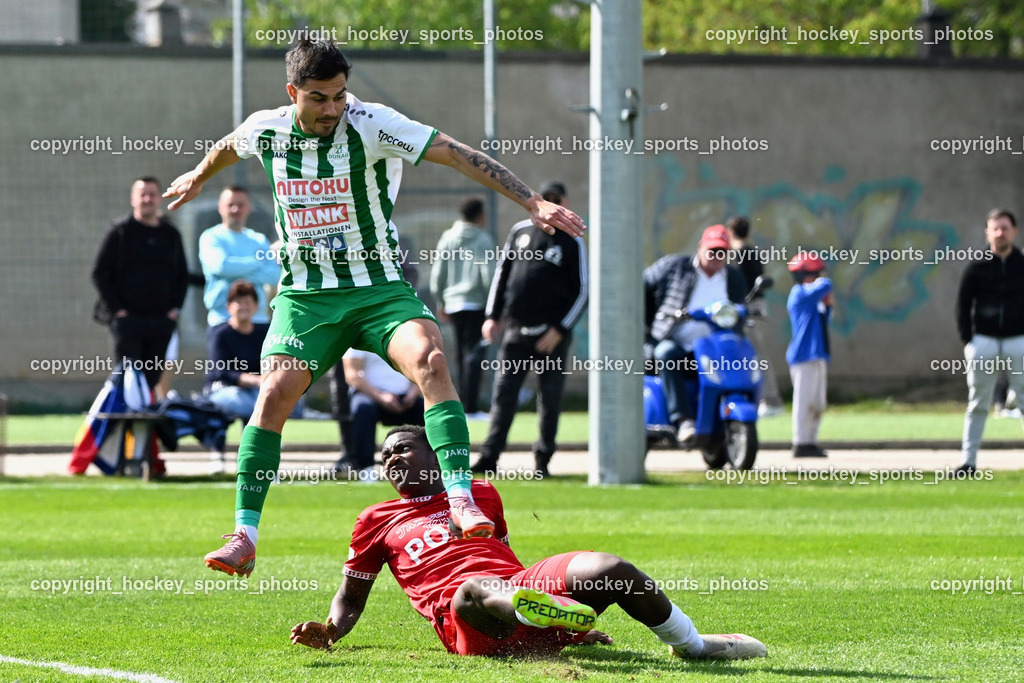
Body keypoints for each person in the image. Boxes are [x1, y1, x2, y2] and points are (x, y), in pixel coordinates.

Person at [162, 39, 586, 577]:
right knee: (272, 393)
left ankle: (460, 499)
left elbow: (454, 152)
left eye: (340, 95)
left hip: (379, 289)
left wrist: (531, 201)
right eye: (319, 98)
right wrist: (200, 175)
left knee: (432, 362)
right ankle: (244, 535)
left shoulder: (372, 123)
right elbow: (230, 144)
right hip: (307, 298)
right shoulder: (267, 128)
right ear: (293, 92)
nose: (333, 109)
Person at [290, 425, 767, 660]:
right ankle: (539, 612)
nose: (391, 458)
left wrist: (573, 630)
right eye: (385, 454)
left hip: (515, 584)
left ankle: (693, 645)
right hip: (468, 621)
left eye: (403, 448)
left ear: (437, 453)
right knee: (474, 587)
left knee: (610, 568)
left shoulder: (479, 492)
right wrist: (331, 630)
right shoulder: (376, 519)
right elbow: (351, 595)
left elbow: (507, 555)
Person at [471, 181, 588, 477]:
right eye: (544, 199)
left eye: (555, 200)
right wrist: (491, 315)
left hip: (551, 336)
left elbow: (582, 291)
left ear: (564, 202)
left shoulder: (571, 239)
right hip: (516, 330)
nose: (550, 206)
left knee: (548, 400)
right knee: (503, 396)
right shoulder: (520, 231)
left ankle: (542, 461)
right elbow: (503, 274)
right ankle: (489, 457)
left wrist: (560, 330)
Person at [643, 225, 748, 446]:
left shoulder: (732, 277)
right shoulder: (674, 266)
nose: (716, 256)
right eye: (712, 250)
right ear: (700, 247)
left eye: (722, 251)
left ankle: (725, 417)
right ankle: (683, 420)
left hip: (715, 346)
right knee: (666, 353)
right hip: (677, 341)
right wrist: (647, 325)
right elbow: (640, 286)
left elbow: (739, 310)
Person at [92, 176, 188, 390]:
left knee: (151, 380)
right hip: (128, 321)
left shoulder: (170, 234)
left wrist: (174, 309)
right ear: (133, 199)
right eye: (142, 194)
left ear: (159, 199)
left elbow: (182, 274)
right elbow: (100, 273)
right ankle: (124, 422)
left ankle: (146, 421)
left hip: (161, 321)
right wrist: (117, 310)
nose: (147, 199)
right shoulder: (120, 231)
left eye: (152, 194)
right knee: (127, 378)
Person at [955, 208, 1024, 474]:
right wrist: (969, 341)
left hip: (1018, 340)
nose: (1000, 233)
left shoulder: (1021, 264)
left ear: (1014, 231)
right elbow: (963, 305)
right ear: (987, 232)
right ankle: (969, 462)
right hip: (984, 341)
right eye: (995, 228)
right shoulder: (977, 266)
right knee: (978, 402)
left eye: (1005, 228)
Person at [429, 196, 495, 419]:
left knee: (459, 357)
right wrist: (492, 306)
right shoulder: (483, 239)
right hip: (476, 303)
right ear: (479, 215)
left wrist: (441, 301)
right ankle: (471, 408)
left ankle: (460, 405)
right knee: (474, 356)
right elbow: (489, 274)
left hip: (454, 303)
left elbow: (438, 273)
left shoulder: (448, 238)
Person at [198, 186, 281, 328]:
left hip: (258, 321)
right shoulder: (211, 237)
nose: (235, 209)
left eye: (240, 205)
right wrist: (258, 264)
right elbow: (221, 266)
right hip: (223, 320)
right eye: (230, 205)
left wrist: (234, 273)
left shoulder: (259, 240)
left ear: (249, 207)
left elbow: (275, 275)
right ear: (220, 207)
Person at [725, 216, 783, 417]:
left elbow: (742, 286)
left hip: (750, 308)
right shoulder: (747, 252)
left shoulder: (742, 253)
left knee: (757, 355)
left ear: (731, 232)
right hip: (744, 308)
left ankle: (771, 400)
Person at [336, 348, 425, 475]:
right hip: (370, 396)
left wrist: (413, 393)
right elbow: (352, 375)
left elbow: (420, 369)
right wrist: (380, 396)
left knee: (430, 410)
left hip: (406, 396)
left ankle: (429, 466)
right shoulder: (358, 337)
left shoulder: (406, 335)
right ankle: (366, 469)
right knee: (362, 408)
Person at [786, 252, 833, 459]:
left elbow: (825, 318)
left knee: (818, 403)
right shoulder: (799, 293)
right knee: (803, 402)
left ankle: (810, 442)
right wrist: (823, 280)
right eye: (816, 273)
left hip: (818, 355)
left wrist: (829, 306)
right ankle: (800, 442)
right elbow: (825, 285)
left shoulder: (814, 301)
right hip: (803, 356)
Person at [205, 280, 268, 422]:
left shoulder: (263, 333)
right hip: (223, 389)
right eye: (239, 302)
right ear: (228, 307)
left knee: (270, 399)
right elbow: (220, 371)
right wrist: (253, 379)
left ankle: (263, 442)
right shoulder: (221, 334)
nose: (243, 307)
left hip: (254, 390)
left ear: (256, 306)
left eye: (247, 302)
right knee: (251, 404)